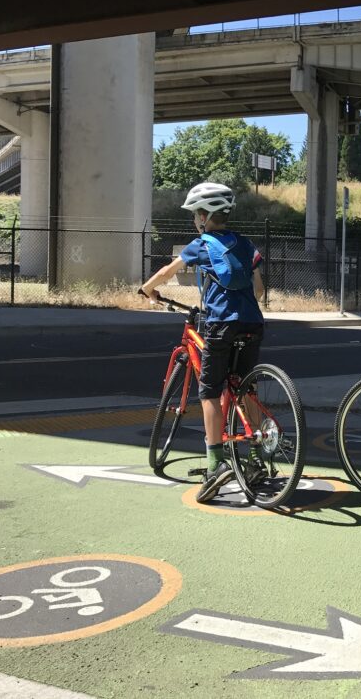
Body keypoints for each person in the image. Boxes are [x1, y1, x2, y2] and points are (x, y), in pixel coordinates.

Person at [140, 182, 266, 503]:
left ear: (204, 216)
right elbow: (260, 290)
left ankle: (215, 464)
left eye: (196, 213)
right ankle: (255, 459)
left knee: (209, 391)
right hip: (252, 322)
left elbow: (170, 270)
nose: (195, 219)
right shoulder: (244, 243)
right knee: (244, 388)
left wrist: (148, 288)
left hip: (220, 323)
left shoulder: (201, 243)